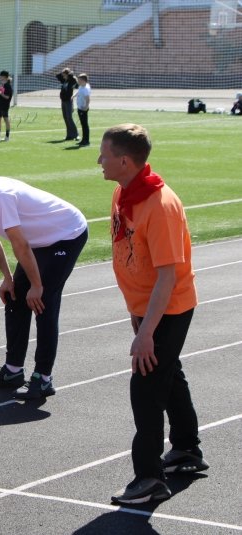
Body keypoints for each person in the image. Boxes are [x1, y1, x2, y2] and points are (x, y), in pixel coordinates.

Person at [98, 124, 209, 504]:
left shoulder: (160, 206)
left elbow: (167, 276)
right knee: (168, 374)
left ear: (125, 161)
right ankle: (186, 449)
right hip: (145, 307)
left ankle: (149, 478)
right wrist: (136, 312)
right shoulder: (123, 192)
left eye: (105, 154)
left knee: (145, 388)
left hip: (168, 309)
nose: (99, 160)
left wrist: (146, 332)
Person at [0, 153, 88, 398]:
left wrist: (37, 286)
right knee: (14, 297)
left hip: (65, 234)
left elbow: (19, 244)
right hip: (36, 242)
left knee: (42, 302)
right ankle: (13, 371)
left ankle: (43, 378)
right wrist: (7, 278)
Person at [56, 68, 79, 141]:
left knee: (69, 118)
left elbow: (77, 85)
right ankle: (69, 135)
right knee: (66, 118)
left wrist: (69, 73)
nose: (63, 76)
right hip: (63, 101)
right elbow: (57, 76)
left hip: (69, 101)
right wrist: (63, 72)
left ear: (67, 75)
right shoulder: (64, 80)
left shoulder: (72, 81)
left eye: (64, 75)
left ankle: (76, 135)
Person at [0, 70, 13, 142]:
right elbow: (2, 91)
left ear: (5, 77)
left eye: (1, 76)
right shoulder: (3, 85)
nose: (0, 77)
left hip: (4, 106)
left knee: (6, 120)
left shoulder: (8, 86)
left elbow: (7, 97)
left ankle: (7, 136)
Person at [76, 73, 91, 147]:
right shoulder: (81, 86)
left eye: (79, 80)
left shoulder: (85, 89)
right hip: (80, 108)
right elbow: (78, 91)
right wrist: (73, 96)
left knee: (84, 125)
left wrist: (86, 107)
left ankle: (86, 141)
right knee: (83, 125)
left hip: (83, 109)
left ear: (83, 80)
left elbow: (88, 99)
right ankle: (83, 140)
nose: (78, 81)